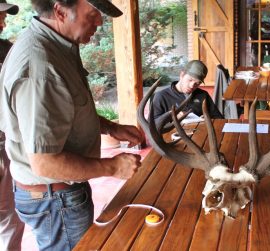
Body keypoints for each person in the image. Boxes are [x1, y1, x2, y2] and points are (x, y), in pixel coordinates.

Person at [0, 0, 143, 250]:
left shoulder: (57, 45)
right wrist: (112, 167)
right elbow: (45, 162)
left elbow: (63, 112)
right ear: (60, 11)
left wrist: (110, 127)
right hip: (54, 199)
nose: (99, 22)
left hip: (58, 193)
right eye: (93, 14)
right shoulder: (40, 67)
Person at [0, 1, 25, 251]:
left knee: (8, 216)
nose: (3, 22)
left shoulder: (8, 51)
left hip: (3, 144)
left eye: (3, 16)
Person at [152, 60, 223, 127]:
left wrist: (208, 118)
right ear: (182, 75)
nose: (192, 85)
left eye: (197, 83)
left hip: (199, 135)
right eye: (190, 80)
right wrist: (172, 117)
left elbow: (219, 118)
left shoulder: (203, 95)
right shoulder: (161, 96)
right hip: (172, 137)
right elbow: (153, 124)